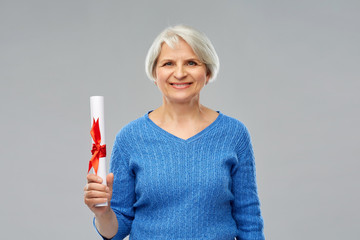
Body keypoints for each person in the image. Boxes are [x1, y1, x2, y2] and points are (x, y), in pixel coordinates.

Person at [84, 25, 265, 240]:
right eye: (168, 63)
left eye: (191, 63)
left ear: (207, 72)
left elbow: (249, 221)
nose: (180, 73)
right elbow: (116, 230)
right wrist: (103, 214)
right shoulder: (130, 138)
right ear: (155, 73)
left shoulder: (234, 134)